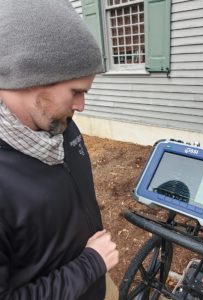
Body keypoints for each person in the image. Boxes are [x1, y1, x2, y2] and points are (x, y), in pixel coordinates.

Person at [0, 0, 119, 299]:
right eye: (76, 91)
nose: (81, 105)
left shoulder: (60, 127)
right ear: (31, 77)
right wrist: (91, 263)